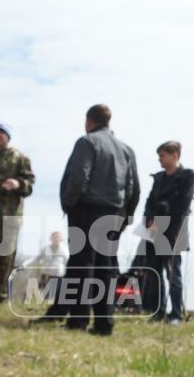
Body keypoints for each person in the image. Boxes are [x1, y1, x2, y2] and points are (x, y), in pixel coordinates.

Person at [57, 103, 139, 335]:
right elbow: (134, 188)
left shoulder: (87, 142)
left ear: (89, 121)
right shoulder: (126, 150)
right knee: (106, 267)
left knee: (82, 265)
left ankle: (78, 320)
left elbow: (78, 177)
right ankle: (104, 323)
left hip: (86, 210)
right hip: (113, 213)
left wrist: (70, 204)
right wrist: (126, 218)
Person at [135, 140, 194, 324]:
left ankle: (176, 313)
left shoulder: (187, 176)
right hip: (152, 230)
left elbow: (183, 205)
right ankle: (158, 311)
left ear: (174, 155)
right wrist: (148, 221)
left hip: (174, 230)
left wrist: (162, 222)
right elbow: (149, 202)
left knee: (173, 274)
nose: (159, 160)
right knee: (154, 272)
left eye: (162, 155)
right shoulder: (159, 178)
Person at [0, 124, 34, 305]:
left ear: (8, 136)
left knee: (6, 255)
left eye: (0, 132)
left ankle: (0, 293)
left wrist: (18, 184)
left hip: (11, 215)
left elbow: (30, 184)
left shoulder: (20, 157)